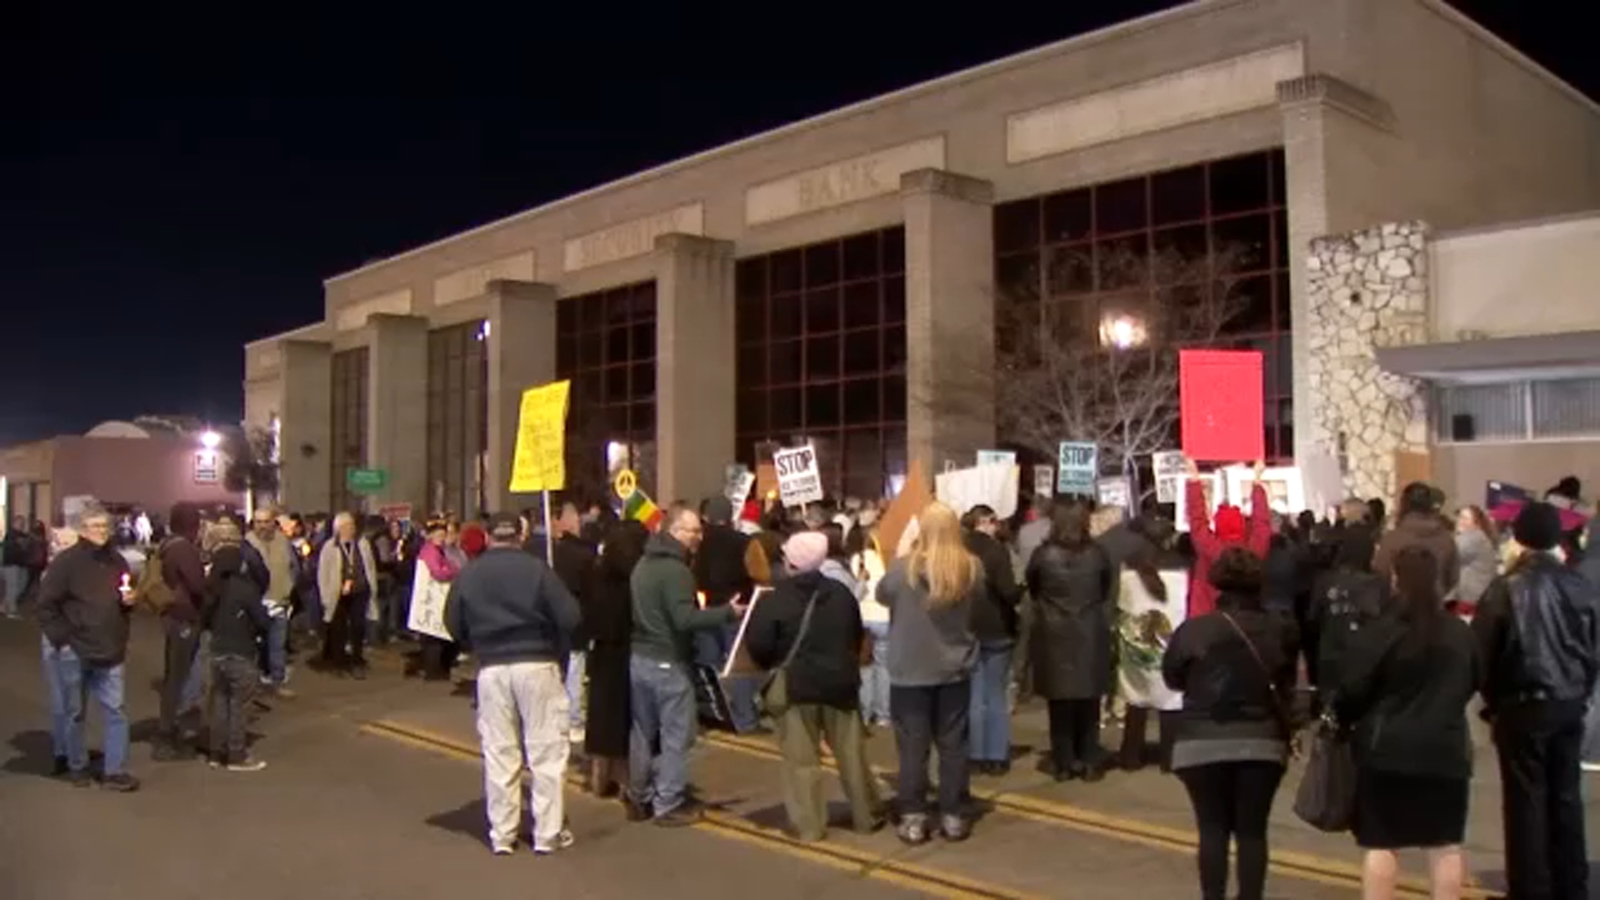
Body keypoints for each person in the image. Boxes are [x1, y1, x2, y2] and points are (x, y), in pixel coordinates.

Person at [1336, 545, 1481, 900]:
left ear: (1396, 579)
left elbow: (1353, 687)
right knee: (1445, 844)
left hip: (1386, 750)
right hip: (1446, 750)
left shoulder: (1383, 629)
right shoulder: (1459, 633)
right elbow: (1475, 679)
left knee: (1382, 844)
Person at [1473, 501, 1600, 900]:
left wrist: (1491, 701)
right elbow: (1592, 648)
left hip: (1520, 705)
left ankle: (1531, 886)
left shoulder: (1505, 588)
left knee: (1524, 803)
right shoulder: (1579, 585)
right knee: (1566, 798)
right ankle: (1571, 883)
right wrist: (1580, 692)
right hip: (1568, 703)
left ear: (1520, 538)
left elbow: (1483, 653)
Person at [1162, 547, 1298, 900]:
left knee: (1212, 829)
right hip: (1262, 739)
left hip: (1199, 739)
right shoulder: (1280, 629)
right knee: (1252, 832)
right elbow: (1286, 683)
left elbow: (1173, 677)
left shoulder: (1193, 630)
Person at [445, 512, 582, 856]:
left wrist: (473, 642)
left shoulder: (471, 573)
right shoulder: (538, 570)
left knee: (500, 752)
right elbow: (570, 616)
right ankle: (547, 833)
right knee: (546, 751)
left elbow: (452, 620)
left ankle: (503, 833)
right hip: (537, 661)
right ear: (520, 536)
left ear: (489, 537)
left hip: (492, 666)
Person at [745, 531, 881, 842]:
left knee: (801, 761)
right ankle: (867, 814)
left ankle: (810, 825)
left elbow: (760, 646)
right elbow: (854, 636)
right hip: (840, 684)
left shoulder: (775, 599)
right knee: (852, 756)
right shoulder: (841, 594)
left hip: (796, 687)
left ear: (788, 561)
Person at [626, 507, 745, 826]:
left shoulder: (643, 564)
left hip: (640, 657)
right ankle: (668, 801)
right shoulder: (676, 571)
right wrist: (726, 613)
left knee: (642, 730)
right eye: (693, 531)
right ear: (675, 531)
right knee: (677, 734)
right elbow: (684, 619)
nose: (699, 537)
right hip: (668, 659)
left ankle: (639, 795)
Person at [877, 502, 982, 844]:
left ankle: (913, 816)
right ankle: (952, 814)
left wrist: (909, 550)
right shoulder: (970, 568)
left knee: (912, 749)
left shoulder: (903, 570)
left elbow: (881, 595)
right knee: (953, 746)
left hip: (910, 670)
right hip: (954, 667)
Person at [36, 504, 138, 791]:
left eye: (104, 526)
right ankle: (76, 765)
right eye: (94, 526)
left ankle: (114, 770)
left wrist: (129, 602)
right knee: (74, 712)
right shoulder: (67, 563)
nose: (100, 532)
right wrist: (63, 640)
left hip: (111, 648)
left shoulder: (118, 561)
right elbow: (45, 606)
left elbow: (123, 599)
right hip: (75, 649)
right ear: (82, 530)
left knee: (116, 711)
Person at [1026, 501, 1114, 781]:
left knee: (1060, 703)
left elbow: (1033, 586)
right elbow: (1105, 587)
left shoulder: (1043, 554)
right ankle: (1088, 758)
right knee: (1089, 702)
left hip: (1055, 632)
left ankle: (1064, 760)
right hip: (1088, 629)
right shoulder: (1097, 554)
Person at [585, 520, 646, 797]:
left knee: (602, 716)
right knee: (628, 716)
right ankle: (627, 780)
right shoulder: (638, 576)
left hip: (602, 650)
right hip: (630, 648)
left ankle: (600, 776)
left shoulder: (597, 571)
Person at [963, 504, 1023, 776]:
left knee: (974, 694)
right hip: (997, 626)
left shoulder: (958, 549)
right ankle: (996, 755)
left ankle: (975, 753)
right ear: (985, 522)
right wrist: (1021, 591)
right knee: (995, 693)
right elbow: (1008, 591)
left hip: (967, 627)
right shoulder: (996, 551)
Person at [203, 540, 273, 771]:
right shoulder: (245, 588)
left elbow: (204, 620)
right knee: (240, 705)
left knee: (221, 703)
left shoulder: (212, 588)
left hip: (217, 652)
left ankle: (216, 752)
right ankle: (236, 754)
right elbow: (262, 621)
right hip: (241, 651)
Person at [153, 502, 209, 761]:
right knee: (179, 677)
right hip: (185, 617)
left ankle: (175, 730)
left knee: (176, 675)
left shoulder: (166, 545)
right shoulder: (184, 549)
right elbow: (197, 585)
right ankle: (169, 735)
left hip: (171, 615)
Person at [1183, 460, 1271, 618]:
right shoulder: (1252, 552)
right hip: (1245, 621)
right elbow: (1262, 523)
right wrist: (1257, 481)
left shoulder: (1209, 546)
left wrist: (1194, 478)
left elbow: (1197, 520)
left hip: (1205, 619)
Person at [318, 512, 379, 678]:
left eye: (351, 526)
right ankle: (338, 663)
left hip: (359, 591)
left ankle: (357, 659)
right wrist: (325, 597)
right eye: (345, 526)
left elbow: (370, 566)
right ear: (337, 529)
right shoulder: (330, 547)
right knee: (338, 628)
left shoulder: (362, 543)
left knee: (358, 626)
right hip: (337, 593)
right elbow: (323, 573)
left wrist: (371, 586)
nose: (350, 529)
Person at [1374, 482, 1459, 597]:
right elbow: (1453, 578)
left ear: (1403, 505)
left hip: (1400, 606)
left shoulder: (1393, 539)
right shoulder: (1446, 538)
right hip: (1435, 604)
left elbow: (1381, 574)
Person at [246, 506, 296, 697]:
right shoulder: (247, 544)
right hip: (256, 604)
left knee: (277, 644)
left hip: (279, 601)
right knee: (255, 645)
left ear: (273, 522)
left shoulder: (283, 541)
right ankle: (254, 682)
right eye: (258, 522)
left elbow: (293, 567)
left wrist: (288, 588)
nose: (262, 526)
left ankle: (277, 681)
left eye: (266, 521)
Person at [407, 519, 461, 680]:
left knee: (438, 639)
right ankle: (434, 672)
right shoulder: (430, 551)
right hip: (430, 601)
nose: (442, 538)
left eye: (443, 535)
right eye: (438, 535)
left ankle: (437, 670)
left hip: (435, 600)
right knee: (433, 639)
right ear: (430, 536)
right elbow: (438, 572)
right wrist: (453, 571)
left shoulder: (438, 550)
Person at [1451, 505, 1498, 615]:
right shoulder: (1479, 537)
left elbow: (1448, 555)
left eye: (1465, 518)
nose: (1460, 521)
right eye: (1459, 517)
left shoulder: (1473, 538)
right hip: (1477, 597)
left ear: (1476, 523)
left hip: (1468, 599)